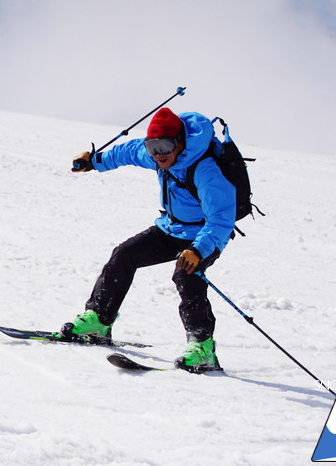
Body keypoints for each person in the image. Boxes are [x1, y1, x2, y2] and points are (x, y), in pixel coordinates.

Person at [60, 107, 236, 372]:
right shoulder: (155, 155)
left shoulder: (205, 170)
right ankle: (99, 320)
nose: (159, 154)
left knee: (186, 274)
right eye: (153, 146)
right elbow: (127, 151)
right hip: (171, 228)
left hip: (204, 235)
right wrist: (95, 161)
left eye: (165, 146)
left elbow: (222, 218)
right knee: (124, 254)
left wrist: (198, 250)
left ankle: (203, 348)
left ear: (180, 143)